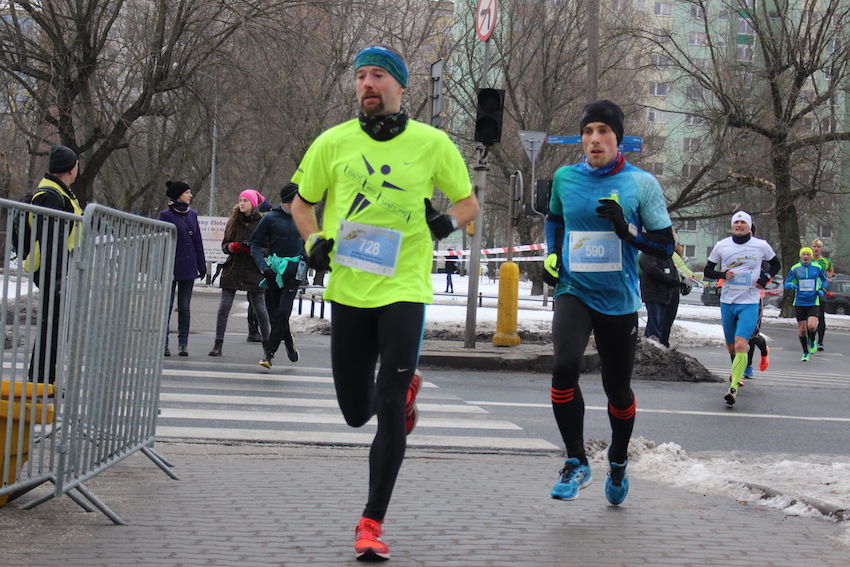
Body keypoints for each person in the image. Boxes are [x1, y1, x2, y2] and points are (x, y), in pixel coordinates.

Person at [290, 44, 480, 561]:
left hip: (404, 288)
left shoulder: (433, 143)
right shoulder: (332, 142)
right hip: (350, 290)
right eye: (360, 76)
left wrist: (445, 223)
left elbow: (468, 202)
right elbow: (301, 205)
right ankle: (404, 393)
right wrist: (313, 241)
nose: (367, 84)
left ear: (400, 86)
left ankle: (371, 522)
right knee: (357, 412)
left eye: (378, 75)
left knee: (389, 404)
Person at [542, 100, 673, 507]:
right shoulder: (565, 178)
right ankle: (576, 461)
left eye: (603, 131)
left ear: (618, 138)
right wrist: (552, 255)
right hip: (574, 289)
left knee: (617, 390)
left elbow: (665, 246)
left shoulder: (641, 184)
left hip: (618, 300)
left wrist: (627, 230)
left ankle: (617, 461)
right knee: (564, 368)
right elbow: (554, 219)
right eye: (588, 131)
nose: (594, 139)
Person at [704, 211, 780, 406]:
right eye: (736, 222)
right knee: (732, 348)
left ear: (749, 226)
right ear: (732, 226)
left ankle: (733, 388)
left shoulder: (760, 245)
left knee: (740, 345)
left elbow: (775, 265)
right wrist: (722, 274)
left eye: (743, 223)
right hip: (727, 302)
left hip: (749, 302)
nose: (739, 225)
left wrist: (765, 279)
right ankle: (738, 371)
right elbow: (708, 270)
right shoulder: (722, 245)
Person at [26, 144, 83, 384]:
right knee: (51, 327)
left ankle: (45, 381)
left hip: (59, 268)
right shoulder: (50, 195)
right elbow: (51, 239)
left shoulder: (59, 192)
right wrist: (59, 275)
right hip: (54, 269)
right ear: (71, 169)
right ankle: (40, 381)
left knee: (55, 328)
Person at [208, 190, 271, 357]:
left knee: (260, 309)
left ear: (253, 204)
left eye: (245, 200)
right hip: (233, 268)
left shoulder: (262, 222)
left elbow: (268, 248)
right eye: (240, 200)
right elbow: (225, 244)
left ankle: (267, 347)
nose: (242, 203)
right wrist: (230, 247)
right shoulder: (233, 221)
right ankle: (218, 344)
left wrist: (254, 250)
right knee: (224, 307)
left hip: (254, 269)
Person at [250, 183, 306, 368]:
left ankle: (269, 354)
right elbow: (254, 243)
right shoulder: (270, 218)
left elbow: (310, 242)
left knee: (283, 311)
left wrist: (307, 257)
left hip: (293, 273)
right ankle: (288, 342)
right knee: (275, 316)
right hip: (274, 272)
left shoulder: (303, 217)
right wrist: (262, 266)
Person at [158, 180, 206, 356]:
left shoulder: (192, 214)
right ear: (178, 195)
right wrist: (159, 267)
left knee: (184, 307)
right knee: (167, 307)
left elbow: (197, 242)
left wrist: (201, 265)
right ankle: (163, 344)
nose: (190, 195)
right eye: (187, 192)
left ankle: (183, 344)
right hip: (170, 267)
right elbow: (160, 242)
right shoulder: (165, 215)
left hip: (188, 266)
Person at [784, 246, 828, 362]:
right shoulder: (795, 268)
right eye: (804, 254)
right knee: (802, 330)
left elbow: (824, 280)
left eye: (808, 255)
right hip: (799, 302)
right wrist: (791, 286)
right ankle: (805, 352)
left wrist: (822, 289)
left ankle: (812, 340)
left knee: (812, 326)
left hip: (813, 301)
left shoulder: (817, 268)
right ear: (801, 256)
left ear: (811, 256)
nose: (806, 257)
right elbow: (786, 283)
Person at [246, 199, 275, 342]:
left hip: (269, 267)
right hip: (255, 268)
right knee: (255, 301)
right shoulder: (257, 227)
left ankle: (266, 330)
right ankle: (253, 330)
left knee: (267, 301)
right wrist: (267, 252)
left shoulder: (271, 227)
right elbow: (254, 246)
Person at [638, 251, 680, 347]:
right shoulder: (648, 253)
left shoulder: (666, 255)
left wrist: (675, 280)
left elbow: (673, 269)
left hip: (664, 293)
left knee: (660, 322)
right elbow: (651, 269)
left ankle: (653, 344)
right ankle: (653, 344)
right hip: (653, 292)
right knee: (655, 322)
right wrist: (669, 280)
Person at [810, 239, 834, 351]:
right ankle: (811, 339)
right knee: (809, 317)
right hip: (808, 292)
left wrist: (828, 278)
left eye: (818, 247)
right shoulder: (807, 259)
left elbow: (831, 269)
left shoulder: (826, 261)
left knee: (820, 316)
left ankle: (820, 342)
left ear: (821, 249)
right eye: (814, 246)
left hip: (820, 291)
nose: (816, 249)